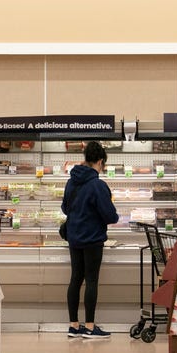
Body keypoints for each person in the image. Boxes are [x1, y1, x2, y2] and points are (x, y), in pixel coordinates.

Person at [61, 141, 119, 339]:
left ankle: (74, 326)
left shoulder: (71, 181)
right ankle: (90, 326)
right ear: (100, 161)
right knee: (91, 280)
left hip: (74, 237)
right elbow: (111, 216)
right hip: (92, 238)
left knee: (75, 279)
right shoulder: (98, 185)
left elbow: (64, 208)